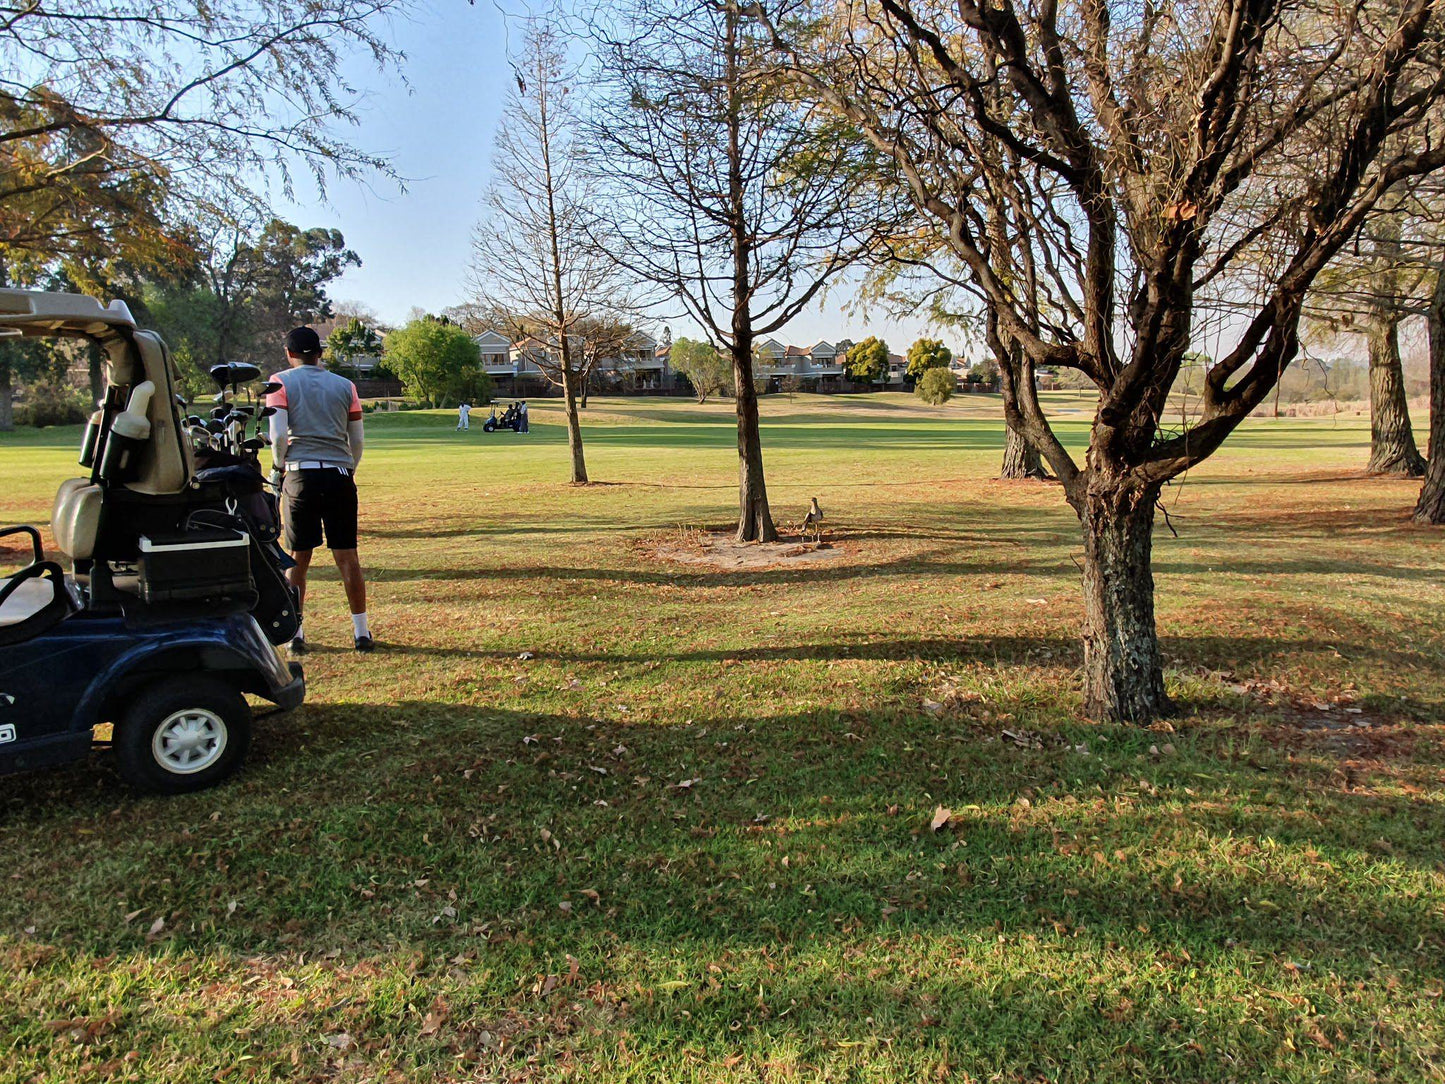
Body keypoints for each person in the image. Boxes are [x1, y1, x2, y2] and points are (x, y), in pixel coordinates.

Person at [267, 326, 373, 654]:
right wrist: (349, 468)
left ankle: (296, 634)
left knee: (298, 558)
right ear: (320, 353)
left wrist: (277, 467)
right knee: (347, 557)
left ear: (289, 353)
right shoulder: (346, 385)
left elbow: (280, 436)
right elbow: (356, 439)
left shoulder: (280, 381)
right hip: (339, 474)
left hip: (301, 475)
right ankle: (361, 633)